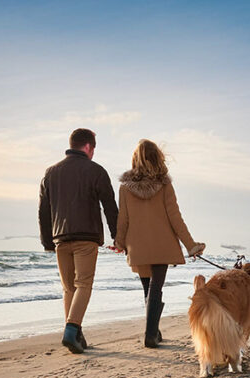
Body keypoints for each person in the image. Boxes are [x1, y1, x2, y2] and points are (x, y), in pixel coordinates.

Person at [114, 139, 204, 348]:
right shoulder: (164, 184)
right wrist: (191, 245)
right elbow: (175, 218)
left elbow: (123, 219)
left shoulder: (125, 188)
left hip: (137, 245)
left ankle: (152, 331)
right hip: (162, 244)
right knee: (156, 287)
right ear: (158, 158)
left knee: (148, 287)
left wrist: (119, 242)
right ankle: (151, 333)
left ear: (135, 160)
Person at [38, 128, 119, 354]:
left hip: (60, 240)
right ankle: (71, 331)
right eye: (93, 149)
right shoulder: (96, 171)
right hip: (86, 238)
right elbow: (110, 208)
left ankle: (76, 336)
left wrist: (47, 242)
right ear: (88, 147)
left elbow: (43, 211)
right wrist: (118, 237)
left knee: (68, 288)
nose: (93, 153)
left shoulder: (50, 172)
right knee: (83, 284)